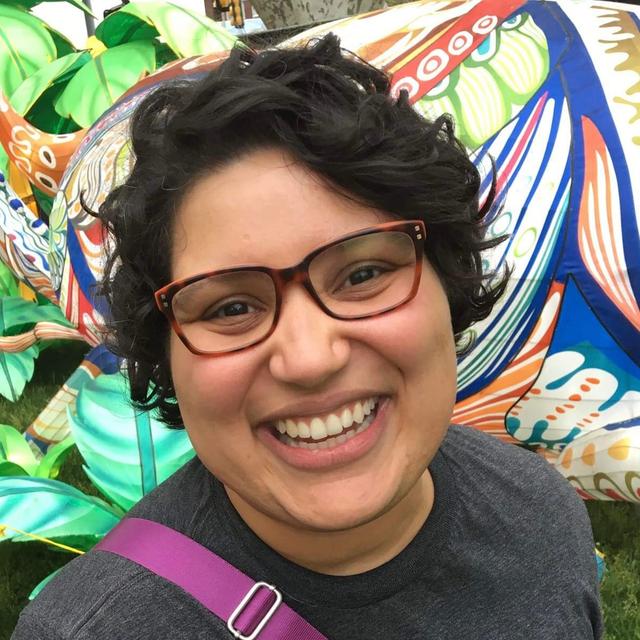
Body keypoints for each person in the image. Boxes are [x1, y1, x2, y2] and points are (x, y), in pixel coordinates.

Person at [12, 34, 602, 639]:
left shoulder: (542, 513)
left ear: (446, 282)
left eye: (363, 274)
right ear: (165, 353)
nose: (309, 358)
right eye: (232, 306)